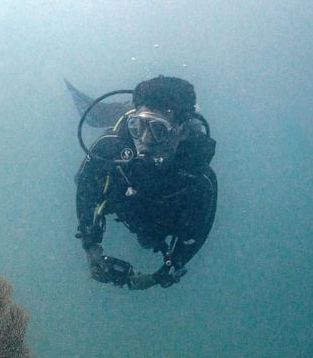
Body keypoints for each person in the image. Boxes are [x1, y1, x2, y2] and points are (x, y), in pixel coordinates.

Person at [71, 76, 217, 290]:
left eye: (158, 129)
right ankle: (127, 113)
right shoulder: (110, 148)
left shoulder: (199, 181)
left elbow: (195, 235)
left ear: (183, 131)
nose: (145, 140)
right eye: (137, 126)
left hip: (158, 225)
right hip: (127, 207)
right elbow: (85, 190)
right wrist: (90, 245)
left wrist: (159, 275)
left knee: (150, 237)